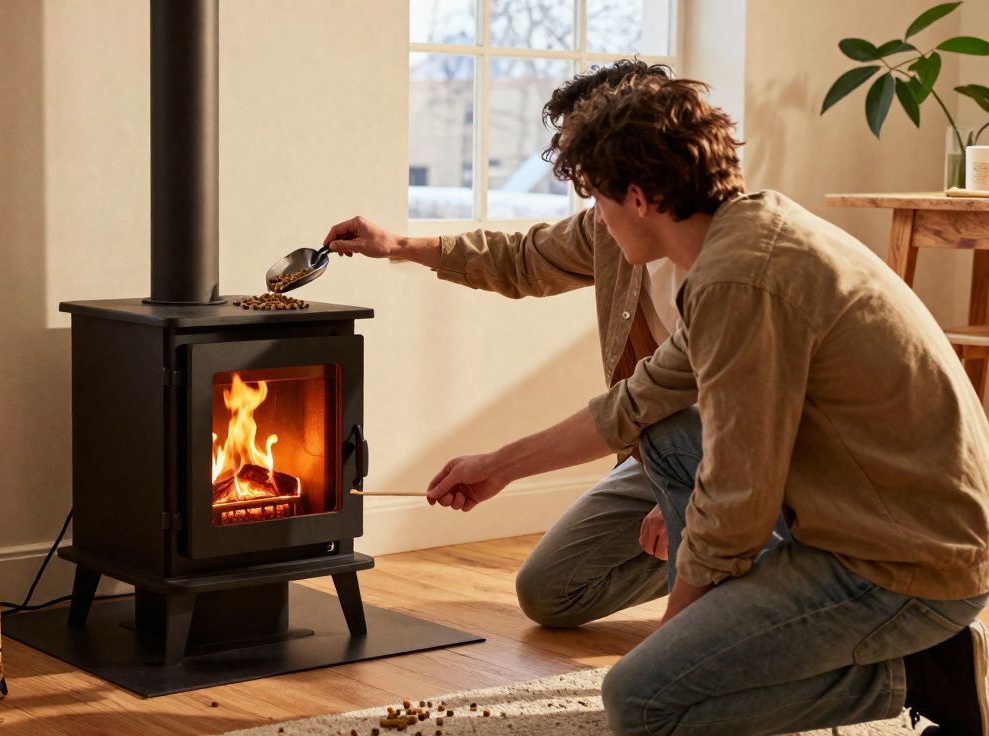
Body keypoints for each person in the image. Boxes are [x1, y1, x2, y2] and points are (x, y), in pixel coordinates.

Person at [356, 72, 989, 734]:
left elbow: (738, 501)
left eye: (598, 200)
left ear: (639, 197)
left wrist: (675, 631)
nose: (595, 219)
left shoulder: (740, 279)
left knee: (640, 700)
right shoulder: (742, 238)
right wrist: (501, 465)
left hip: (903, 566)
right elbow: (640, 402)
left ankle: (916, 673)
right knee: (664, 432)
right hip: (878, 525)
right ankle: (811, 630)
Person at [324, 59, 687, 630]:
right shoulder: (613, 232)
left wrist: (706, 505)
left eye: (594, 184)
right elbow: (522, 259)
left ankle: (747, 559)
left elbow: (762, 412)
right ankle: (703, 556)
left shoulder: (728, 261)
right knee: (549, 592)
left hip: (752, 463)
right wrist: (396, 244)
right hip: (662, 451)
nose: (590, 210)